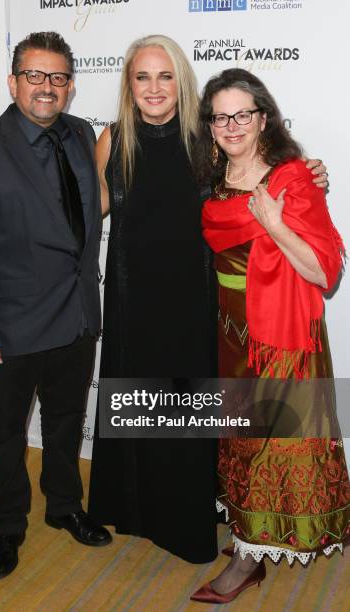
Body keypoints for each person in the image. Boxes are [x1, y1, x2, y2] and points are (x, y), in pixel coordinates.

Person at [88, 35, 327, 564]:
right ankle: (134, 511)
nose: (154, 88)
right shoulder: (112, 138)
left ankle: (186, 520)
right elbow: (89, 210)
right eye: (142, 77)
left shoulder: (207, 138)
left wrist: (310, 172)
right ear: (129, 84)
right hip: (132, 301)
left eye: (165, 75)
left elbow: (256, 170)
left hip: (195, 302)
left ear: (181, 81)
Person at [0, 31, 111, 581]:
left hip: (76, 316)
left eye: (58, 77)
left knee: (66, 423)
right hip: (10, 327)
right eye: (35, 76)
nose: (47, 87)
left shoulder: (83, 133)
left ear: (69, 85)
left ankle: (65, 506)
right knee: (6, 434)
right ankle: (8, 524)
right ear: (13, 81)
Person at [190, 68, 350, 603]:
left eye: (243, 114)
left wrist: (277, 224)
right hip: (230, 329)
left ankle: (246, 561)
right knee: (239, 440)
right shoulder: (209, 177)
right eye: (221, 116)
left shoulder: (292, 180)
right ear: (209, 124)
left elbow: (325, 273)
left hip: (279, 337)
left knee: (271, 446)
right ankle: (246, 544)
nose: (232, 125)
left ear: (264, 119)